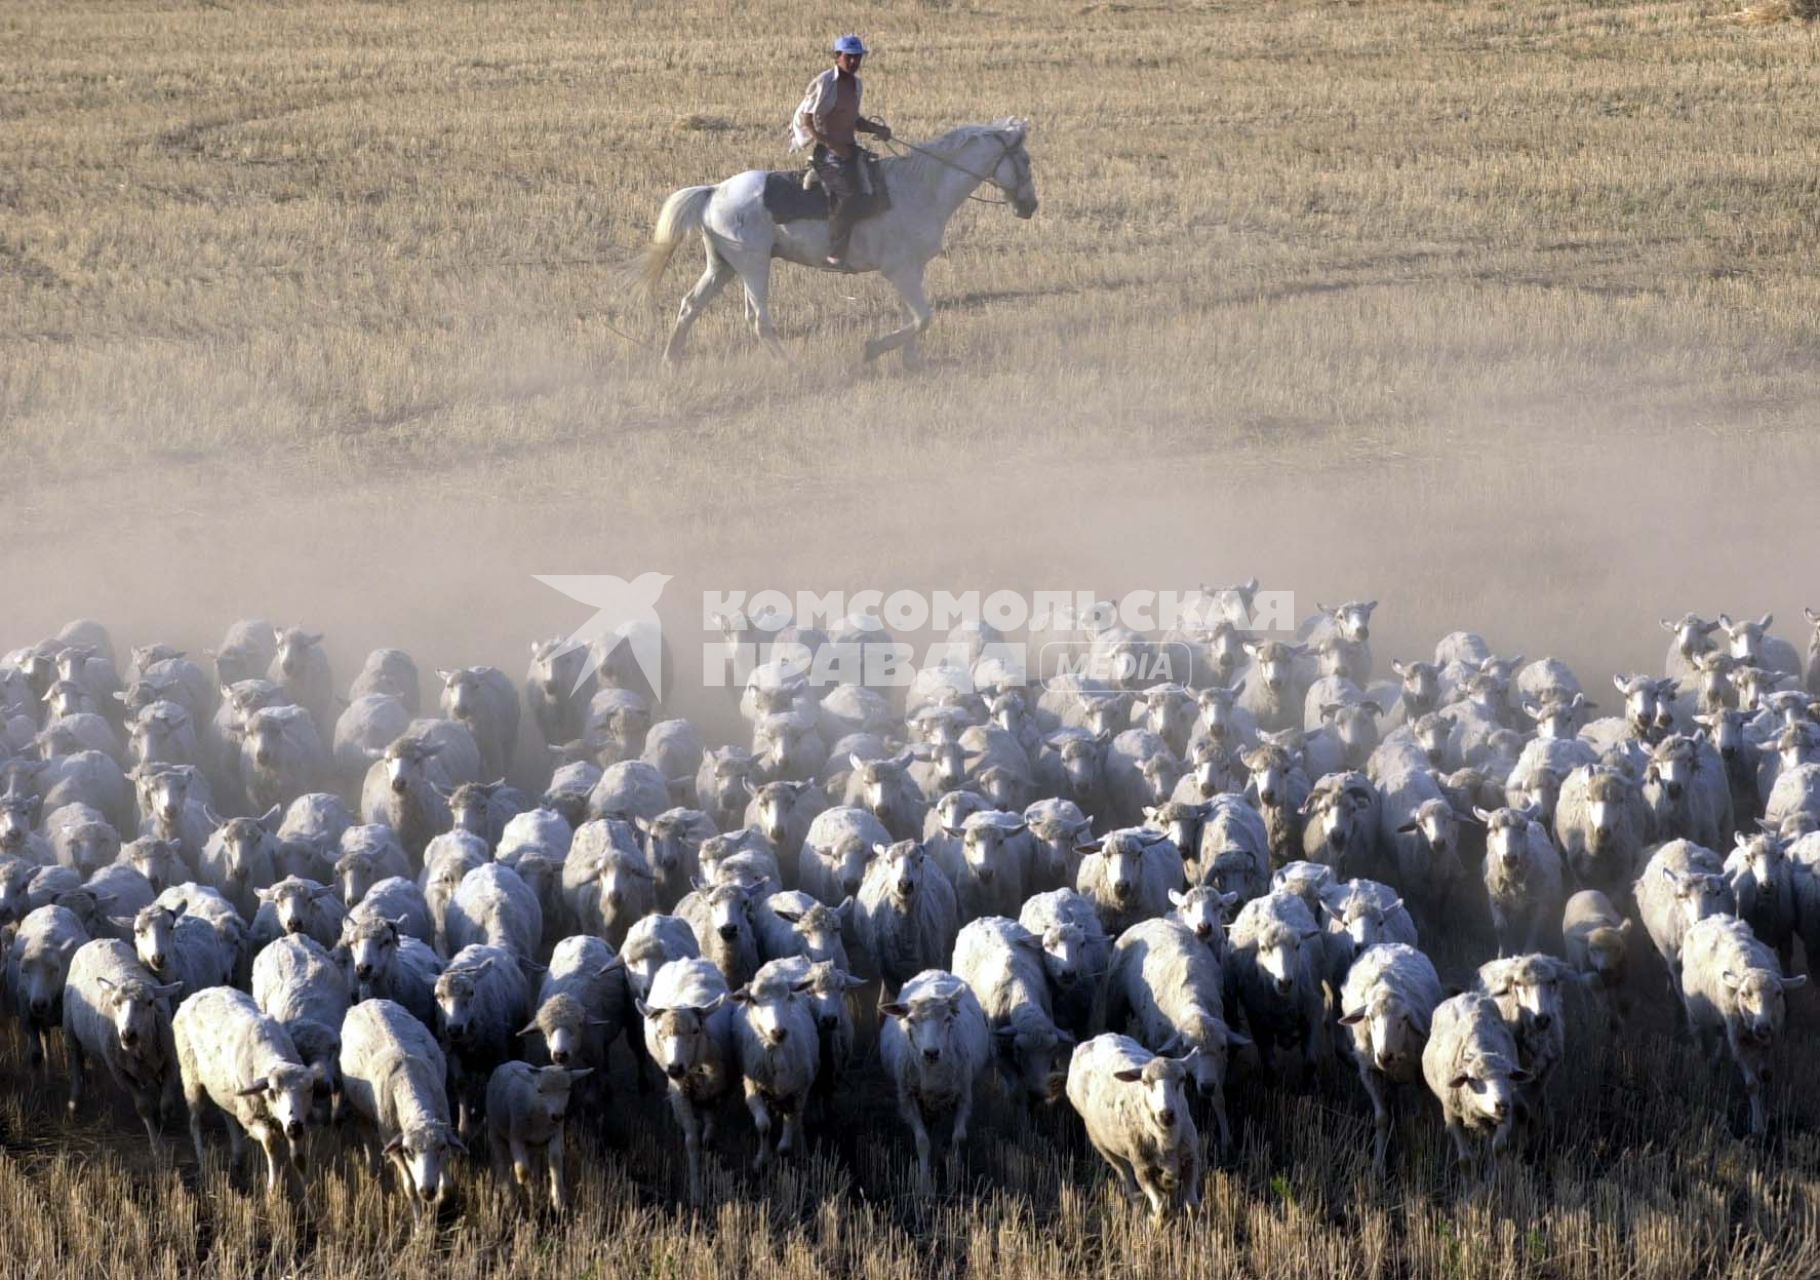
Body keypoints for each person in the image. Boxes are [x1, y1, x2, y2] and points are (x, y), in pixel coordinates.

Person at [790, 35, 893, 268]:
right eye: (849, 57)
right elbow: (808, 118)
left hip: (848, 150)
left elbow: (853, 120)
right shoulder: (825, 82)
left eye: (858, 57)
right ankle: (834, 254)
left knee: (879, 191)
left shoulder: (856, 84)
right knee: (850, 196)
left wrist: (876, 128)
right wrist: (828, 143)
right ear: (837, 57)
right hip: (828, 154)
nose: (854, 62)